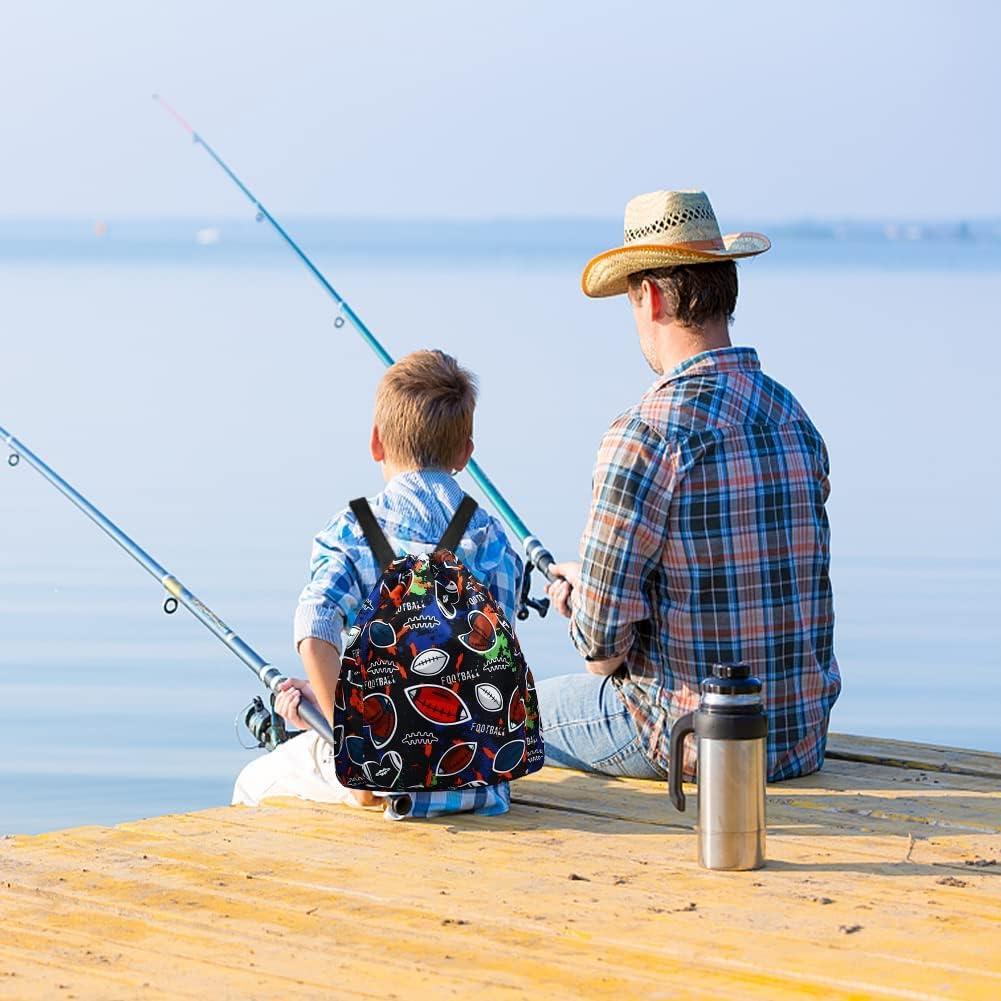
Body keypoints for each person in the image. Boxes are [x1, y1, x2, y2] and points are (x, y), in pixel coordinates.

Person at [541, 189, 841, 782]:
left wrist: (580, 599)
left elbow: (601, 653)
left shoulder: (644, 435)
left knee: (510, 707)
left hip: (694, 747)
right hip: (798, 740)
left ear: (649, 296)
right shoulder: (793, 416)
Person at [232, 349, 524, 818]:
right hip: (479, 781)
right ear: (466, 452)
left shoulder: (353, 530)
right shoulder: (491, 538)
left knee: (252, 784)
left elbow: (315, 625)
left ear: (375, 443)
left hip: (385, 771)